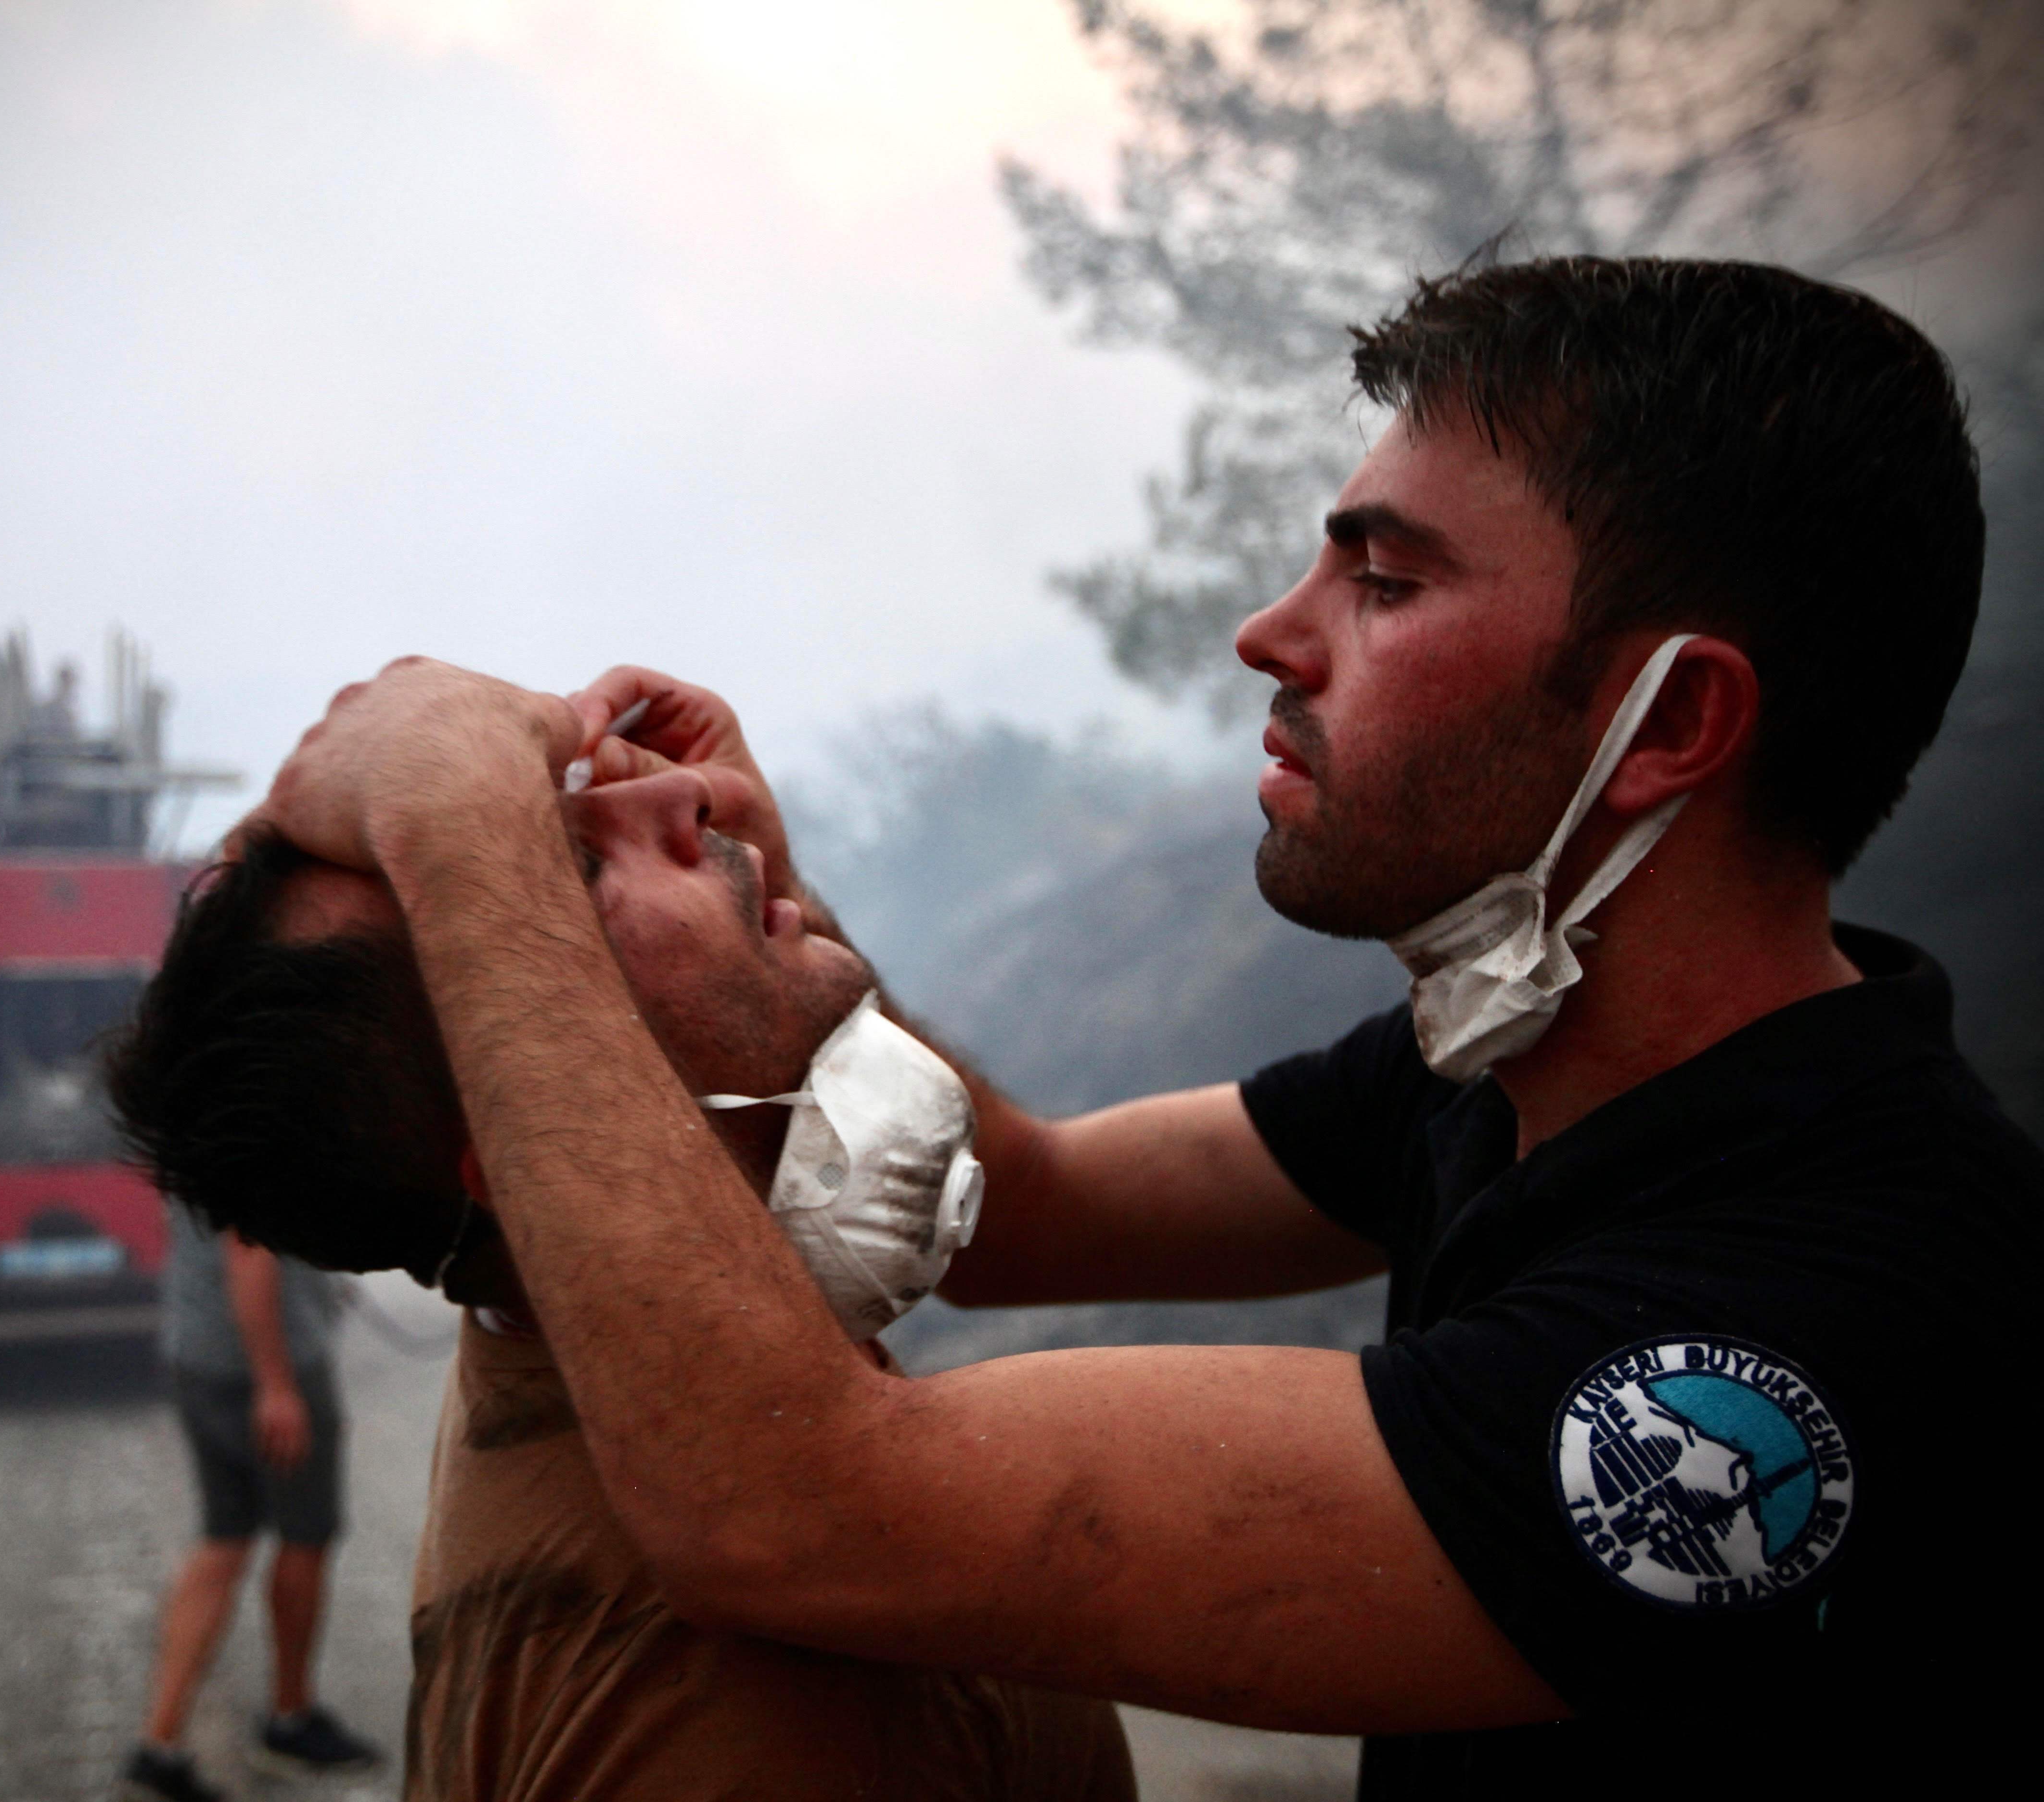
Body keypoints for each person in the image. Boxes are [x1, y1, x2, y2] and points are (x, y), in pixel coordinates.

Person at [237, 256, 2044, 1797]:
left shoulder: (1821, 1315)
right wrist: (769, 884)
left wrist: (468, 838)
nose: (1272, 631)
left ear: (1665, 727)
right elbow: (1013, 1206)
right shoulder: (1505, 1069)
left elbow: (798, 1509)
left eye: (1384, 580)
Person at [107, 797, 1140, 1800]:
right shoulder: (745, 1704)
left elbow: (1048, 1201)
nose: (676, 791)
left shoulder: (566, 1348)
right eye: (573, 874)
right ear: (533, 1136)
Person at [122, 1202, 382, 1801]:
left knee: (225, 1539)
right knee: (306, 1535)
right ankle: (289, 1720)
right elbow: (248, 1250)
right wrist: (277, 1384)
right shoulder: (252, 1116)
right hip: (268, 1366)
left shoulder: (180, 1120)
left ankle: (157, 1749)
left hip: (198, 1354)